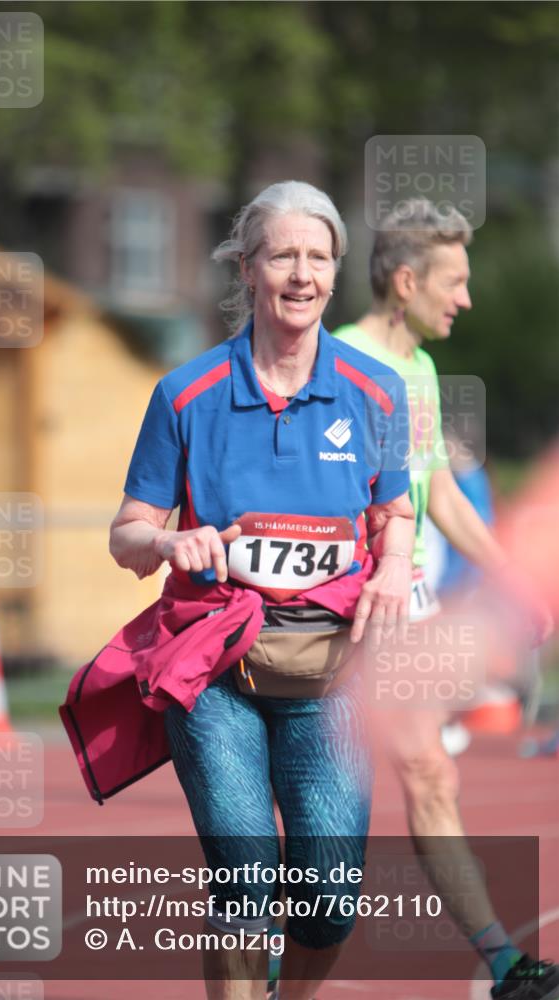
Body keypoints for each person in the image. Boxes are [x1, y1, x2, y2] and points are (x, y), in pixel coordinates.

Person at [108, 181, 415, 1000]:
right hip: (213, 672)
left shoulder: (377, 390)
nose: (302, 273)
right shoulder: (186, 394)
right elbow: (125, 534)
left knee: (328, 900)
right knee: (245, 882)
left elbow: (395, 512)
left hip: (330, 667)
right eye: (282, 255)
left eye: (318, 257)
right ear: (246, 269)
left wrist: (389, 566)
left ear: (336, 270)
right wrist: (173, 538)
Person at [333, 198, 558, 1000]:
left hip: (403, 614)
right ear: (405, 281)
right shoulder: (335, 361)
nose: (464, 299)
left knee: (428, 776)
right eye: (453, 281)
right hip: (332, 617)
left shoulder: (421, 371)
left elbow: (442, 495)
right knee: (340, 803)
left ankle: (504, 965)